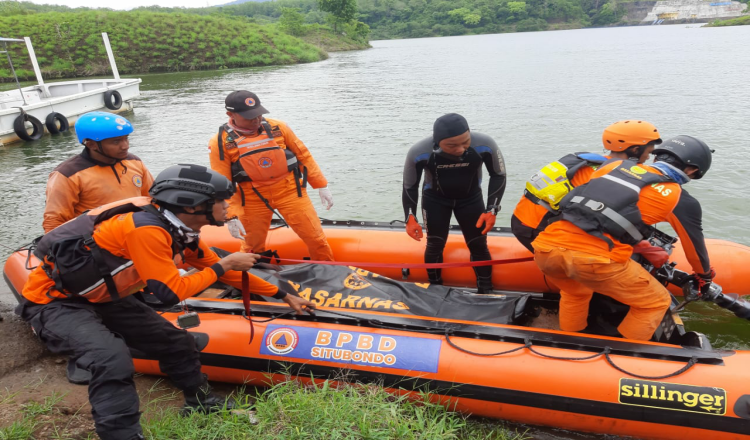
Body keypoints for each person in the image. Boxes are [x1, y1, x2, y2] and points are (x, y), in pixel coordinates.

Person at [17, 164, 316, 440]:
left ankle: (201, 403)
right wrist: (223, 266)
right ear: (191, 206)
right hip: (56, 302)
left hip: (105, 297)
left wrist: (283, 295)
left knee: (176, 342)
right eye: (221, 201)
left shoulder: (178, 229)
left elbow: (223, 271)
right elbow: (170, 293)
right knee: (111, 358)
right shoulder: (147, 229)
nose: (227, 206)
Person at [532, 136, 715, 341]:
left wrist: (640, 245)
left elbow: (597, 209)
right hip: (595, 260)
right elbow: (694, 249)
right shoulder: (679, 197)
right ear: (691, 170)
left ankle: (572, 339)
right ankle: (622, 357)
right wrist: (704, 275)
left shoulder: (614, 166)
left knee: (576, 292)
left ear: (657, 157)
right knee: (654, 302)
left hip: (546, 248)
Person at [208, 90, 334, 260]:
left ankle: (328, 273)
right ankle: (254, 278)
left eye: (258, 115)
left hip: (290, 191)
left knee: (316, 238)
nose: (256, 120)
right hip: (251, 199)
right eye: (249, 117)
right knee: (251, 246)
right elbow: (222, 181)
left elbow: (303, 155)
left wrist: (321, 185)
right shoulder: (219, 142)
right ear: (230, 114)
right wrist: (230, 215)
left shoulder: (278, 127)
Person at [512, 120, 662, 252]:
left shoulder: (586, 160)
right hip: (536, 228)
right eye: (648, 152)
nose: (648, 157)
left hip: (523, 219)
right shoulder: (610, 174)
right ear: (635, 149)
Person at [402, 113, 507, 294]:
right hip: (435, 200)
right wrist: (410, 217)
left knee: (478, 245)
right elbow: (410, 186)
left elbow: (499, 175)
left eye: (465, 142)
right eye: (451, 145)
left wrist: (492, 209)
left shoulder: (485, 144)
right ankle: (435, 288)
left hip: (471, 199)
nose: (460, 149)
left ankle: (485, 289)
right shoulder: (419, 151)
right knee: (435, 244)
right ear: (437, 142)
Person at [43, 111, 153, 232]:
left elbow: (151, 199)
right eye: (116, 142)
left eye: (126, 139)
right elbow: (54, 221)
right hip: (98, 242)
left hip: (138, 231)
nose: (125, 146)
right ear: (91, 144)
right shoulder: (68, 174)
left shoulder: (134, 162)